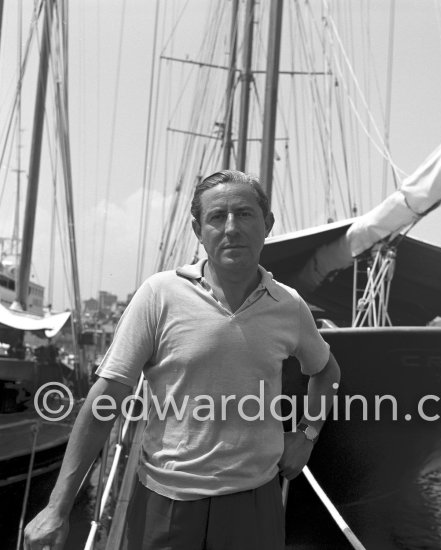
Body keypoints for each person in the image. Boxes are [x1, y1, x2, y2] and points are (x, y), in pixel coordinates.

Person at [24, 170, 341, 550]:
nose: (231, 228)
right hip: (166, 503)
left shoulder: (288, 306)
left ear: (267, 223)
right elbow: (105, 399)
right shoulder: (160, 295)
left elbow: (326, 371)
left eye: (244, 214)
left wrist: (306, 435)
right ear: (197, 228)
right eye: (216, 217)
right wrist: (57, 507)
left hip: (254, 503)